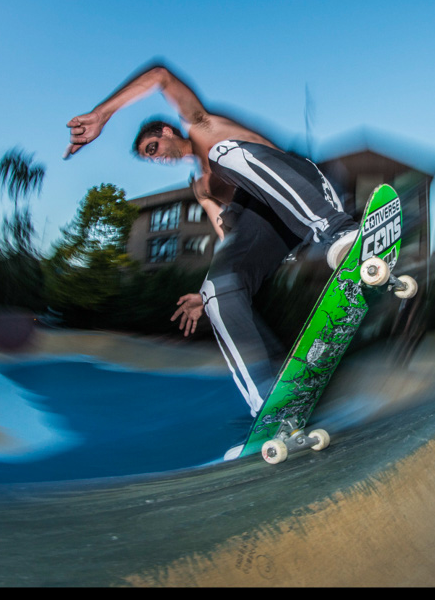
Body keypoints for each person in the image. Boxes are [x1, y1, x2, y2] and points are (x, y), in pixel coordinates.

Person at [65, 60, 359, 429]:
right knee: (217, 288)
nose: (157, 158)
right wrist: (209, 292)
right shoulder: (200, 186)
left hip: (311, 193)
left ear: (169, 130)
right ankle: (270, 407)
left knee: (222, 155)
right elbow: (227, 240)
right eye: (149, 158)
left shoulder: (203, 126)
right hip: (277, 231)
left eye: (154, 147)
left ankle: (341, 233)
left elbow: (160, 76)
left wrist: (101, 115)